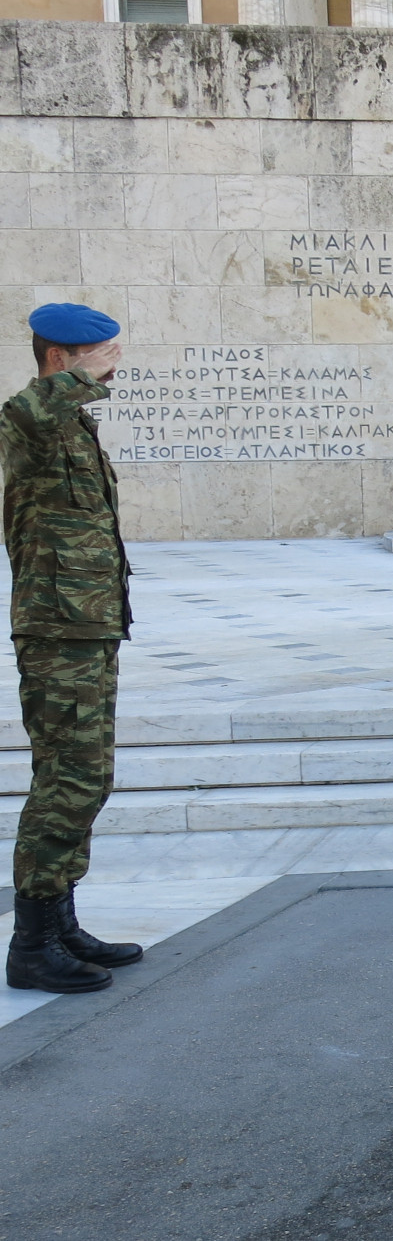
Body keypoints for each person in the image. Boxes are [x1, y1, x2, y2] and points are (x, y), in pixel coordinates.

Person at [6, 304, 144, 994]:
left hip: (86, 628)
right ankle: (32, 944)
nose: (112, 364)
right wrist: (77, 380)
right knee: (67, 779)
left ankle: (58, 921)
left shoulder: (75, 424)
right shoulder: (32, 422)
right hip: (56, 631)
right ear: (60, 357)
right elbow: (24, 411)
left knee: (84, 778)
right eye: (98, 353)